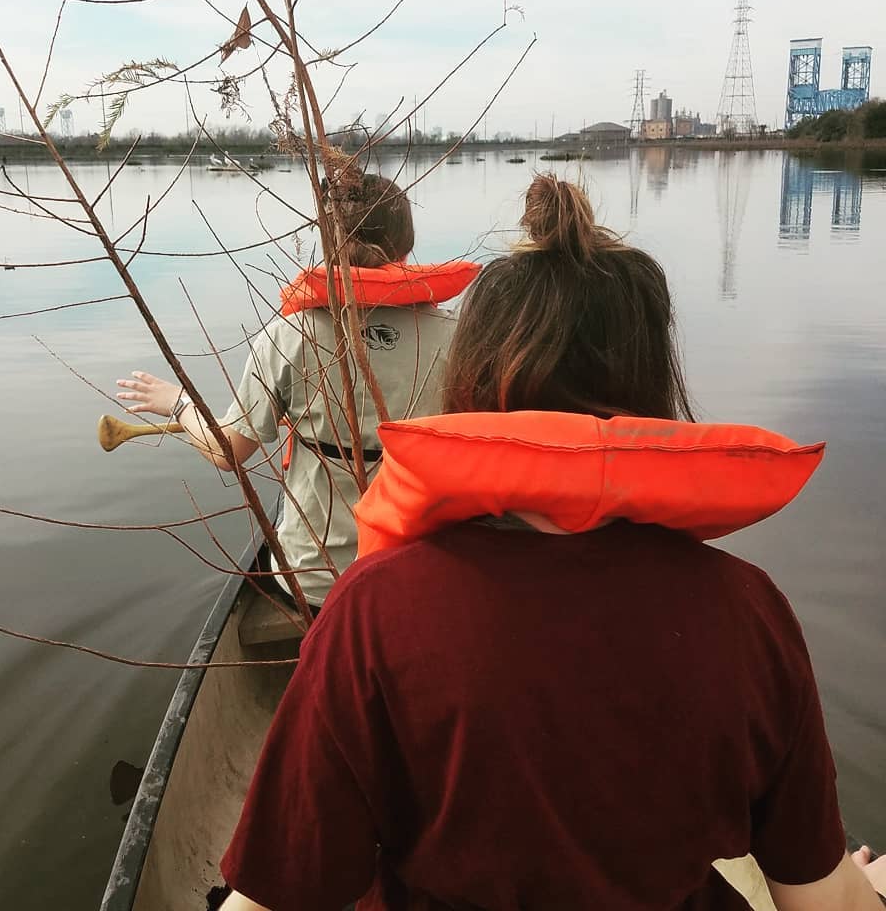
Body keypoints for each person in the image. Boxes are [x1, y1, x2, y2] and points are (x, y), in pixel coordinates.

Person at [217, 174, 886, 910]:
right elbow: (819, 903)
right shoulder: (750, 612)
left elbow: (276, 899)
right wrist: (861, 888)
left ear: (472, 379)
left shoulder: (372, 614)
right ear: (652, 381)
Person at [117, 170, 479, 609]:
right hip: (419, 569)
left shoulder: (290, 336)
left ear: (328, 240)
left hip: (315, 579)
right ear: (405, 242)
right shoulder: (457, 337)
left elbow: (227, 452)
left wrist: (180, 404)